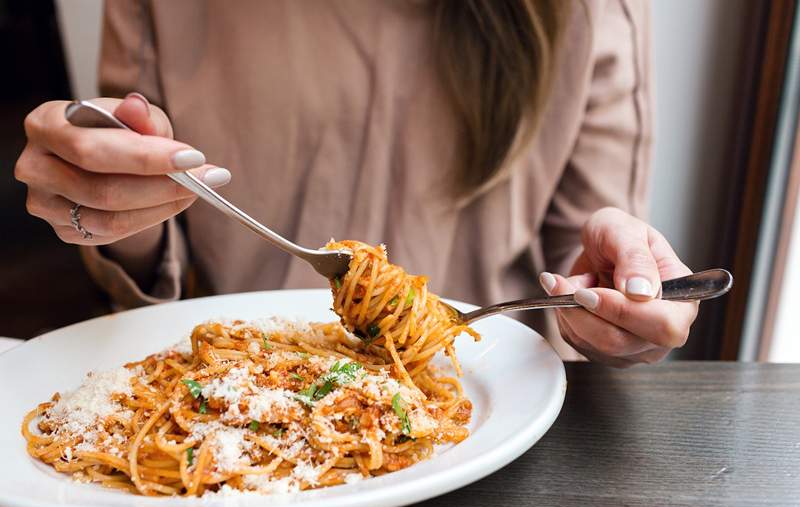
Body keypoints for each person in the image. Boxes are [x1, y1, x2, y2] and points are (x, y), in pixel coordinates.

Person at [14, 0, 697, 367]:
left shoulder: (595, 9)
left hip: (484, 407)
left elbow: (586, 269)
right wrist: (112, 203)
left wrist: (615, 310)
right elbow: (147, 263)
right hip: (235, 388)